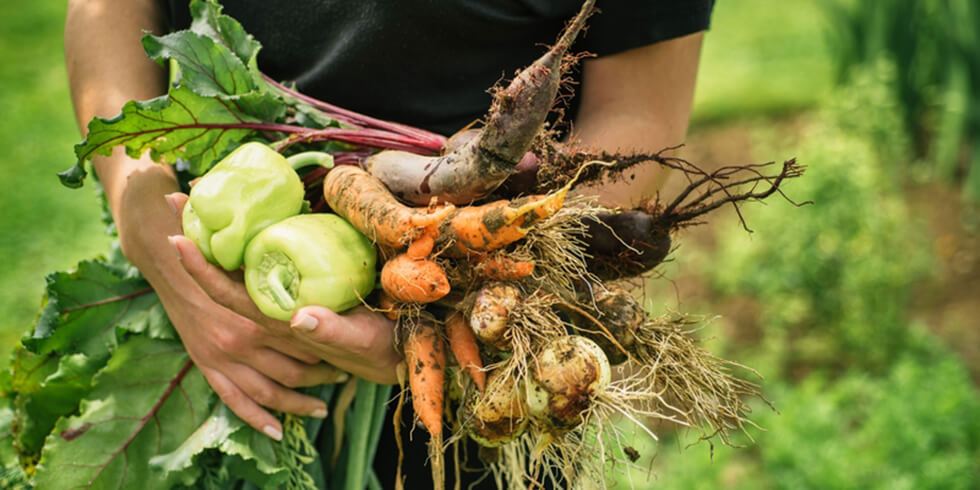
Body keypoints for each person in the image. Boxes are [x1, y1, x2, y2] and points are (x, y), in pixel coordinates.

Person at [65, 0, 712, 484]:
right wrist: (141, 205)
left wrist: (460, 295)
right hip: (201, 303)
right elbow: (104, 12)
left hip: (488, 359)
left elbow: (638, 115)